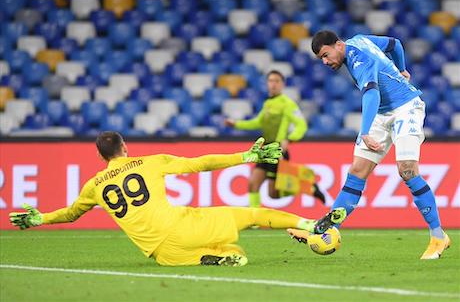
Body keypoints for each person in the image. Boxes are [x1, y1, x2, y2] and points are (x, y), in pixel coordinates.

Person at [9, 131, 346, 267]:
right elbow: (200, 164)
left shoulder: (94, 185)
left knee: (235, 255)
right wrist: (245, 156)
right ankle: (309, 224)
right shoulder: (149, 161)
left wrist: (41, 218)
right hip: (182, 225)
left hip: (161, 252)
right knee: (252, 214)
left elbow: (70, 214)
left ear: (101, 157)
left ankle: (214, 257)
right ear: (125, 148)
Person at [290, 30, 450, 260]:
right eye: (321, 59)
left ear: (338, 45)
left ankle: (438, 236)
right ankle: (326, 229)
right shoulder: (360, 39)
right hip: (383, 113)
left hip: (406, 107)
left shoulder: (358, 59)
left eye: (326, 55)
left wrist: (365, 132)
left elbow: (371, 93)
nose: (325, 62)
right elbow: (395, 44)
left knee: (406, 169)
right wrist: (401, 68)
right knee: (357, 170)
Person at [225, 70, 326, 208]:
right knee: (253, 184)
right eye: (271, 81)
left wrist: (289, 139)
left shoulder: (287, 103)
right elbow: (257, 122)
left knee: (273, 193)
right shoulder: (267, 104)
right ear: (267, 83)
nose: (273, 84)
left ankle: (309, 187)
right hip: (265, 149)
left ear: (282, 84)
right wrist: (236, 123)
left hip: (277, 150)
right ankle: (254, 220)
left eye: (277, 81)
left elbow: (301, 125)